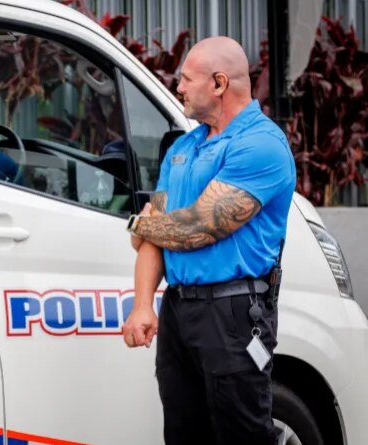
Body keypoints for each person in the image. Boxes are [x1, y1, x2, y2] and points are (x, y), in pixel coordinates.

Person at [121, 36, 296, 445]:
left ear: (219, 84)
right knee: (183, 433)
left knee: (242, 434)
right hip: (181, 309)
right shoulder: (183, 147)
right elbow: (156, 240)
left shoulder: (261, 144)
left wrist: (139, 224)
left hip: (233, 313)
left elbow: (199, 228)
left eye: (186, 79)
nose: (178, 87)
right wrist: (144, 304)